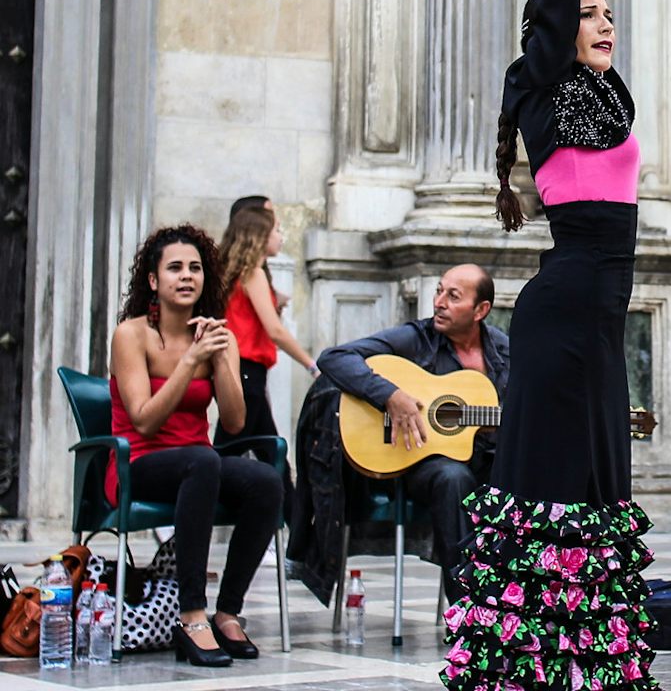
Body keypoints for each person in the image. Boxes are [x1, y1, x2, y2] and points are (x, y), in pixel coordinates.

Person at [442, 0, 656, 690]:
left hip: (598, 324)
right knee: (552, 490)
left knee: (600, 489)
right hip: (565, 315)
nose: (603, 22)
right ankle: (519, 662)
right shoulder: (545, 93)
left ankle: (590, 661)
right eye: (590, 15)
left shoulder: (595, 93)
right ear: (554, 31)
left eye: (611, 14)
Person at [107, 224, 283, 667]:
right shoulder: (132, 335)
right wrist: (190, 361)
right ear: (153, 280)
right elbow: (144, 420)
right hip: (138, 465)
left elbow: (236, 421)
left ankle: (227, 612)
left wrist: (222, 358)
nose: (186, 276)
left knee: (265, 479)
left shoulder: (216, 334)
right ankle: (191, 615)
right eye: (174, 268)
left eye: (195, 268)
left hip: (196, 466)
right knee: (203, 461)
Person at [315, 265, 509, 601]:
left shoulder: (505, 352)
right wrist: (390, 396)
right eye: (438, 291)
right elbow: (334, 357)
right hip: (418, 466)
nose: (439, 302)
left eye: (453, 296)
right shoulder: (416, 339)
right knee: (452, 478)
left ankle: (527, 607)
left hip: (487, 464)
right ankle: (467, 612)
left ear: (482, 311)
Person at [214, 201, 318, 511]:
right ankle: (296, 539)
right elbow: (274, 330)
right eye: (276, 229)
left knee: (267, 457)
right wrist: (311, 364)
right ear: (260, 235)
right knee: (263, 459)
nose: (282, 235)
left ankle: (294, 538)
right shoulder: (253, 273)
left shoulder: (244, 274)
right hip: (245, 373)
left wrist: (276, 299)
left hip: (243, 373)